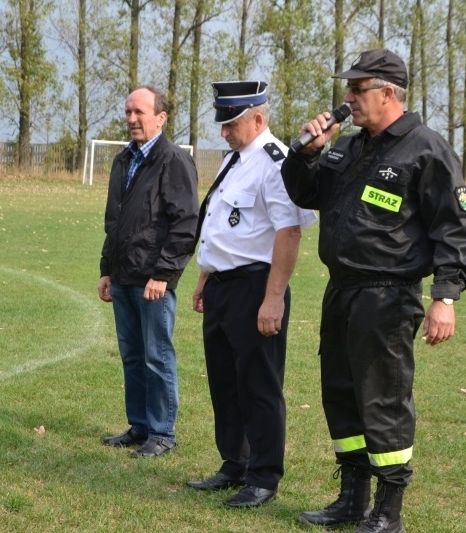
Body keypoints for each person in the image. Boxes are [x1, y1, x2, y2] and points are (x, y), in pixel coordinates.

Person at [281, 49, 466, 533]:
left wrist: (444, 297)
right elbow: (304, 194)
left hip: (388, 296)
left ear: (388, 92)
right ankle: (352, 498)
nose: (347, 98)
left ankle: (388, 512)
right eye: (348, 89)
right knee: (342, 395)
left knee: (382, 401)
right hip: (342, 291)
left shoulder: (425, 148)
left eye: (357, 89)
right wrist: (307, 152)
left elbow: (453, 229)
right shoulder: (347, 146)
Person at [185, 81, 317, 508]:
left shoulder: (276, 162)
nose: (223, 131)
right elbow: (221, 225)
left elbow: (289, 231)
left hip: (256, 287)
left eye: (231, 123)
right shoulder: (235, 160)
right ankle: (234, 464)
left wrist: (274, 297)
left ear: (258, 118)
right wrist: (205, 276)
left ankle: (263, 477)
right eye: (221, 123)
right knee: (225, 382)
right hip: (223, 286)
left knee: (259, 384)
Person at [98, 85, 199, 458]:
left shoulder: (174, 160)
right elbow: (114, 221)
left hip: (152, 279)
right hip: (123, 276)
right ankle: (139, 425)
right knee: (132, 355)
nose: (131, 119)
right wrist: (107, 269)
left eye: (139, 112)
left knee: (157, 356)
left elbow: (185, 223)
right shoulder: (123, 160)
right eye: (128, 112)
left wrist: (164, 274)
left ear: (161, 117)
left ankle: (162, 432)